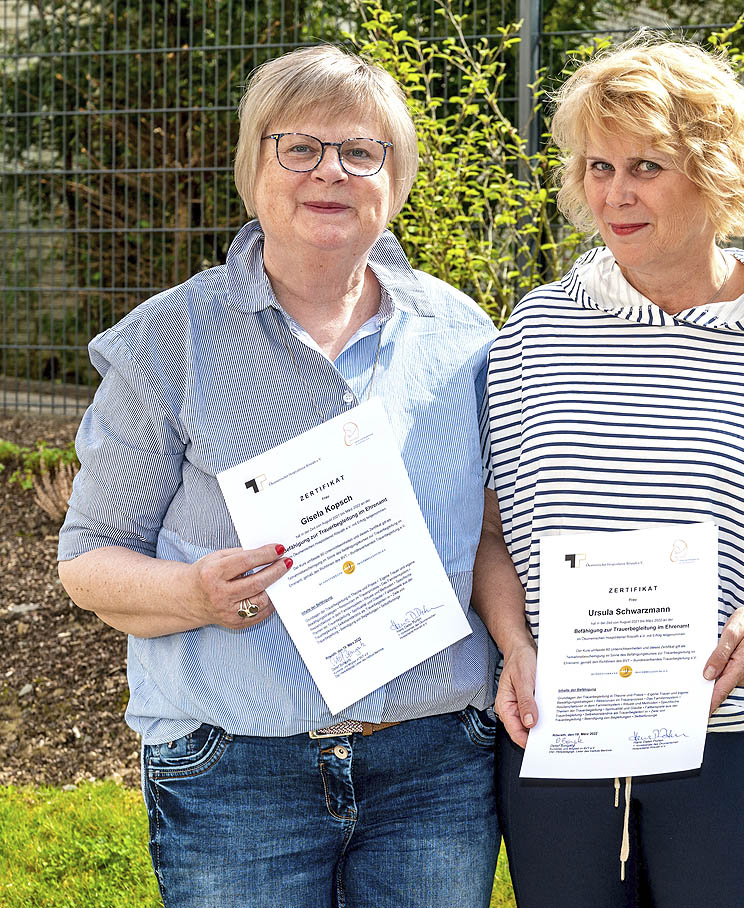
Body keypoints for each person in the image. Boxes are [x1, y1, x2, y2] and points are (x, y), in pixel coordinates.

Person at [58, 45, 499, 908]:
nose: (329, 171)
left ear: (394, 180)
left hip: (435, 763)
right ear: (255, 168)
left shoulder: (463, 336)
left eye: (359, 152)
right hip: (237, 769)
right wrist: (195, 592)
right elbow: (88, 561)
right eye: (299, 147)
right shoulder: (169, 342)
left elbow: (486, 529)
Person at [472, 37, 744, 908]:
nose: (613, 193)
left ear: (713, 172)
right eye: (597, 165)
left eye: (645, 165)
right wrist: (515, 646)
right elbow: (490, 535)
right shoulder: (534, 335)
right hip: (564, 737)